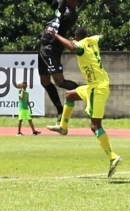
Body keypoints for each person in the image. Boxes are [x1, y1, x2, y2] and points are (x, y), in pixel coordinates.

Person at [47, 27, 122, 177]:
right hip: (94, 86)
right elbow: (102, 36)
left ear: (76, 37)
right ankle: (63, 126)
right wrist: (91, 37)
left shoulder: (80, 46)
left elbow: (73, 47)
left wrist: (55, 35)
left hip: (97, 88)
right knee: (69, 95)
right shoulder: (93, 40)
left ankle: (113, 157)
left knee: (95, 126)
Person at [38, 0, 81, 120]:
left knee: (60, 81)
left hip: (52, 47)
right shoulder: (62, 6)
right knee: (44, 81)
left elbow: (61, 10)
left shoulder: (71, 14)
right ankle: (59, 110)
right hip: (44, 47)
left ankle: (84, 92)